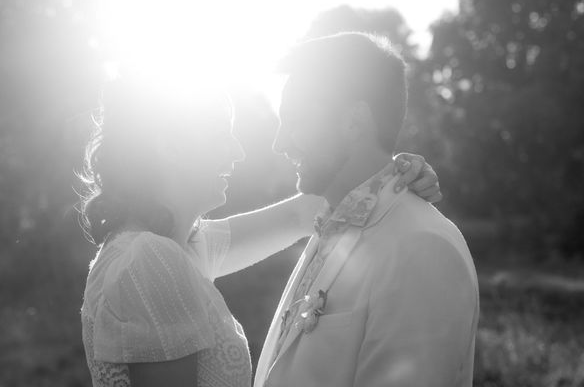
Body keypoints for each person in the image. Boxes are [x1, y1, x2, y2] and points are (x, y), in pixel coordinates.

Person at [79, 74, 441, 387]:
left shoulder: (179, 245)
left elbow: (302, 214)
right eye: (221, 135)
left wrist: (394, 173)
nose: (237, 152)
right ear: (171, 146)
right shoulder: (150, 260)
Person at [254, 32, 479, 387]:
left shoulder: (422, 249)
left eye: (296, 120)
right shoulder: (332, 222)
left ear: (354, 121)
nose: (279, 143)